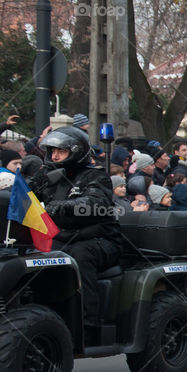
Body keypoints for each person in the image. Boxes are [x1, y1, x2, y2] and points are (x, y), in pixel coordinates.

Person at [29, 127, 122, 340]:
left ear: (76, 151)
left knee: (79, 256)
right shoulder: (46, 175)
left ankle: (87, 326)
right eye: (52, 151)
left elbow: (95, 203)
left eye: (60, 151)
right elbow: (25, 193)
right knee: (34, 259)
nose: (54, 156)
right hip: (61, 238)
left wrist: (59, 206)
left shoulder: (95, 175)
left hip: (99, 240)